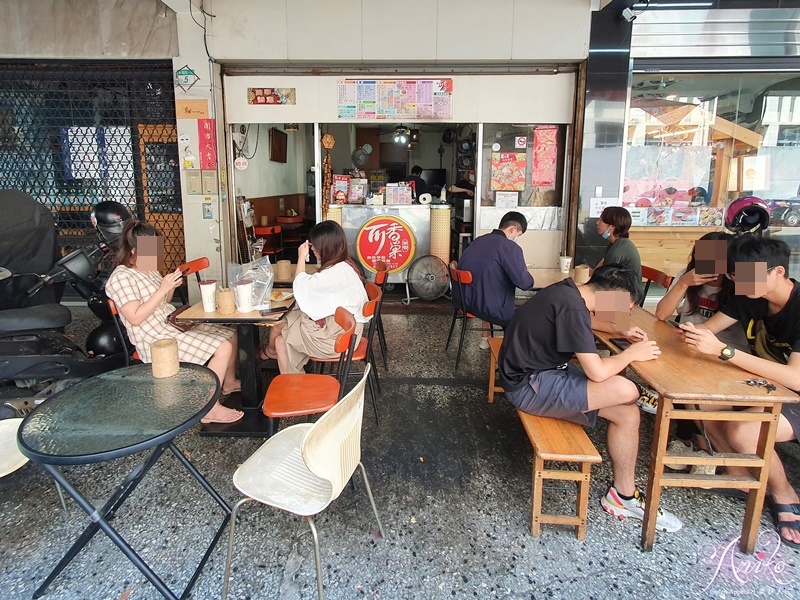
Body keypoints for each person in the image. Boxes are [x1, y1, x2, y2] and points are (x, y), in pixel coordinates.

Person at [498, 265, 682, 532]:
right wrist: (632, 353)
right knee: (625, 390)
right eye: (626, 308)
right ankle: (642, 395)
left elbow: (582, 320)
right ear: (614, 298)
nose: (625, 314)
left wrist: (618, 331)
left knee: (628, 414)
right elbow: (596, 373)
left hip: (537, 374)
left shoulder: (569, 292)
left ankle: (623, 495)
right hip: (528, 385)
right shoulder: (572, 307)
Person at [680, 235, 800, 548]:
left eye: (747, 274)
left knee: (744, 432)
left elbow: (796, 379)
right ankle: (737, 475)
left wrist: (725, 352)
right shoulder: (751, 295)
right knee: (697, 400)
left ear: (778, 272)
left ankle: (784, 492)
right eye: (735, 274)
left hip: (794, 392)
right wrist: (688, 331)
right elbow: (706, 330)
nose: (739, 282)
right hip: (769, 386)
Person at [105, 220, 243, 424]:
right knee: (222, 347)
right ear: (133, 251)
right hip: (155, 338)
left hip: (172, 322)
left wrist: (169, 287)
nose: (155, 257)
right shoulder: (122, 277)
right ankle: (209, 408)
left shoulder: (148, 268)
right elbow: (135, 318)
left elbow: (164, 301)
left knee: (230, 334)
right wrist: (162, 289)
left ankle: (228, 383)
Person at [650, 232, 749, 469]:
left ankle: (700, 444)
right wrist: (684, 283)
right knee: (664, 367)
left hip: (726, 356)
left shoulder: (740, 283)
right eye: (702, 256)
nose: (708, 265)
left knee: (686, 381)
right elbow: (662, 314)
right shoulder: (689, 277)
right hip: (689, 349)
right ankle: (696, 442)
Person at [260, 221, 369, 374]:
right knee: (282, 331)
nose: (311, 248)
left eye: (312, 245)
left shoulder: (333, 273)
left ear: (324, 247)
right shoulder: (344, 266)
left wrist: (301, 257)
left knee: (281, 336)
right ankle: (288, 376)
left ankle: (286, 376)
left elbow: (300, 286)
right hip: (347, 333)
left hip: (335, 341)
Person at [454, 211, 534, 349]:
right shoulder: (509, 247)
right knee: (528, 313)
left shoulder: (479, 240)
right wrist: (527, 274)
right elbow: (525, 283)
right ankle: (513, 353)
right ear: (513, 229)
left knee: (486, 286)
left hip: (464, 301)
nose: (516, 239)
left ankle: (485, 339)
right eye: (518, 235)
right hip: (488, 307)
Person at [593, 206, 642, 283]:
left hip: (627, 294)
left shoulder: (616, 251)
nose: (597, 222)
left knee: (582, 293)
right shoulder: (618, 243)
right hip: (619, 289)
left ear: (612, 227)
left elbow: (605, 281)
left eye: (601, 220)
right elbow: (601, 266)